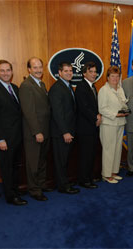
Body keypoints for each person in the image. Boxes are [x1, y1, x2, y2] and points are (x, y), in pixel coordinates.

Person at [0, 60, 28, 206]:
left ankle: (15, 190)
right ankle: (11, 196)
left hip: (17, 136)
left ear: (12, 72)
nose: (5, 73)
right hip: (5, 139)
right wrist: (0, 139)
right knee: (7, 167)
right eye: (2, 71)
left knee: (16, 166)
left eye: (8, 70)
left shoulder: (15, 88)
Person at [19, 57, 51, 201]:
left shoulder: (41, 84)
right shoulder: (26, 85)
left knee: (42, 161)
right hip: (35, 132)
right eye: (35, 67)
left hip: (45, 130)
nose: (38, 70)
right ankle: (34, 190)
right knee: (33, 162)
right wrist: (37, 131)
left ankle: (41, 184)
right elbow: (29, 111)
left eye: (40, 67)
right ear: (29, 70)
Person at [49, 62, 80, 194]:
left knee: (65, 160)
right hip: (61, 133)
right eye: (65, 71)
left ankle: (64, 182)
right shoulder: (57, 88)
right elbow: (57, 113)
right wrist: (65, 132)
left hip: (68, 131)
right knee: (61, 161)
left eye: (70, 71)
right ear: (59, 73)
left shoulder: (67, 86)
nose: (69, 73)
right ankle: (63, 186)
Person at [98, 66, 128, 183]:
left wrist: (126, 110)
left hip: (120, 123)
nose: (115, 78)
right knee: (109, 149)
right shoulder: (103, 90)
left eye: (117, 76)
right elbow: (102, 108)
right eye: (112, 76)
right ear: (107, 78)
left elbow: (123, 104)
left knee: (117, 149)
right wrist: (116, 114)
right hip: (109, 124)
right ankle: (106, 174)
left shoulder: (120, 89)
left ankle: (114, 172)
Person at [75, 62, 101, 189]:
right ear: (84, 73)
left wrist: (97, 116)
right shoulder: (81, 86)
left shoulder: (92, 86)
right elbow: (83, 107)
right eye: (91, 71)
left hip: (92, 127)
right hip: (85, 128)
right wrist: (95, 117)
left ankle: (89, 177)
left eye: (95, 71)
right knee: (85, 155)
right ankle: (84, 180)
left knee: (91, 154)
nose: (94, 74)